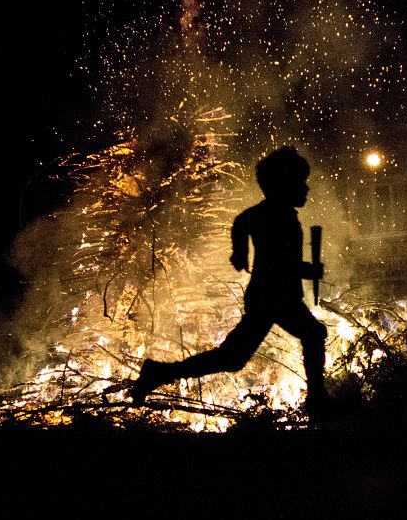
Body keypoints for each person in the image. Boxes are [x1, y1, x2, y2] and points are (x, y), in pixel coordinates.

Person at [129, 146, 339, 419]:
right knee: (310, 335)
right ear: (283, 185)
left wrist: (241, 251)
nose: (306, 188)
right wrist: (304, 269)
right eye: (300, 182)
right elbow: (276, 261)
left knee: (233, 358)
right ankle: (317, 401)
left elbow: (243, 223)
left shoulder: (278, 213)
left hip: (275, 297)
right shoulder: (275, 214)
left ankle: (159, 372)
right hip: (273, 298)